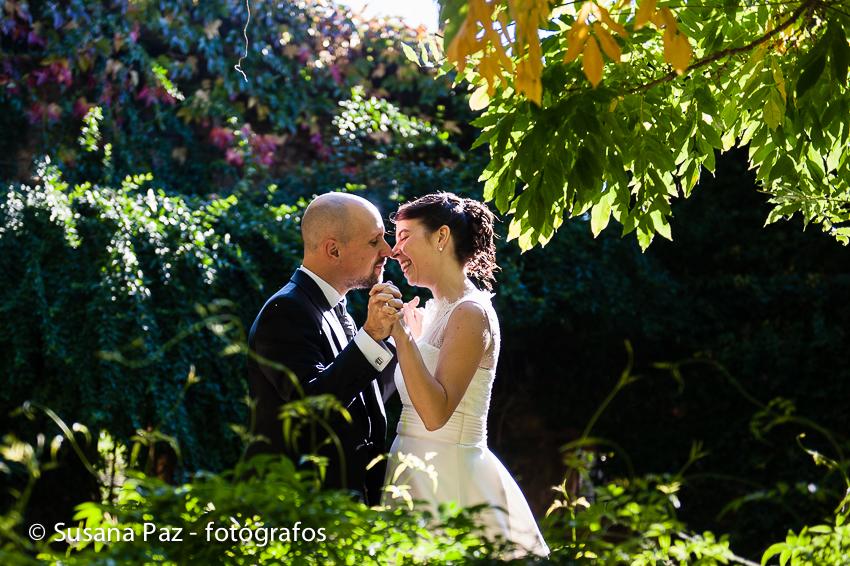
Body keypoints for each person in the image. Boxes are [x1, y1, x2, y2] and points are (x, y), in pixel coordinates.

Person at [381, 192, 549, 557]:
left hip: (448, 474)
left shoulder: (471, 313)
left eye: (405, 236)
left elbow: (436, 414)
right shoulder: (434, 310)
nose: (395, 251)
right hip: (410, 467)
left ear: (441, 237)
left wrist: (403, 338)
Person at [246, 192, 403, 505]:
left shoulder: (334, 307)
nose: (388, 250)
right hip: (304, 509)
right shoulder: (285, 310)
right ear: (334, 249)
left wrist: (396, 341)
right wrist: (370, 335)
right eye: (374, 242)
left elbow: (358, 399)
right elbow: (312, 405)